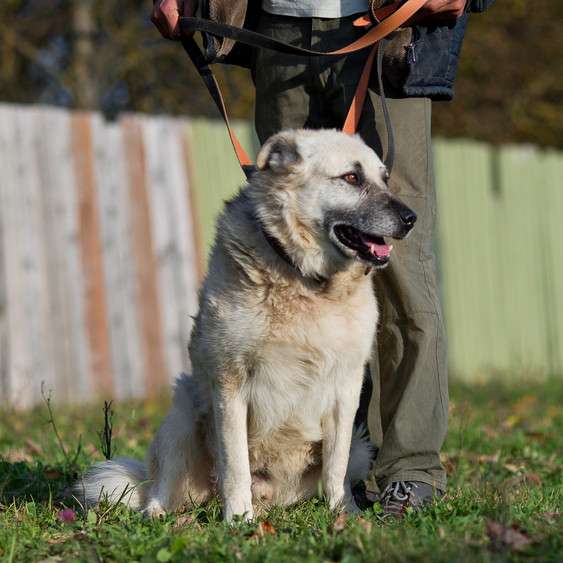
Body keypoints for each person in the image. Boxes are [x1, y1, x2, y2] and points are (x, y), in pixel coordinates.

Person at [151, 0, 494, 516]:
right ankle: (326, 473)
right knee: (283, 247)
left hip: (392, 24)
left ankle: (408, 472)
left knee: (398, 268)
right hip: (279, 27)